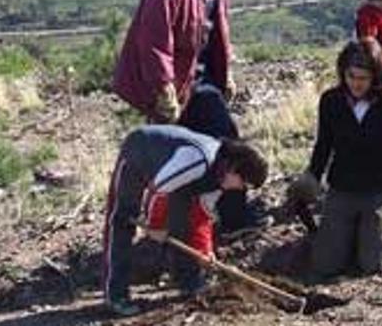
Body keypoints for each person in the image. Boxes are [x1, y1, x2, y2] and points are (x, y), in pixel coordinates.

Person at [112, 0, 263, 234]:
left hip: (202, 83)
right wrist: (163, 85)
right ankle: (163, 225)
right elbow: (156, 35)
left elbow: (218, 31)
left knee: (226, 147)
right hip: (176, 85)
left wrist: (227, 72)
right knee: (180, 156)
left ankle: (227, 218)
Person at [288, 39, 382, 281]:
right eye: (351, 76)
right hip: (343, 188)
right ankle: (348, 235)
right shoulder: (331, 100)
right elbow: (324, 144)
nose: (356, 83)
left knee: (373, 264)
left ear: (376, 75)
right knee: (325, 264)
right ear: (343, 73)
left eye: (363, 77)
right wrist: (311, 177)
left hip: (380, 190)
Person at [102, 124, 268, 317]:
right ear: (235, 169)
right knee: (123, 220)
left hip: (173, 180)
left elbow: (201, 216)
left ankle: (188, 281)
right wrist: (153, 226)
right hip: (140, 153)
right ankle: (116, 295)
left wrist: (205, 252)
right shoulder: (199, 160)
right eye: (244, 184)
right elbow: (159, 189)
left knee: (181, 222)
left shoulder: (219, 179)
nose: (241, 189)